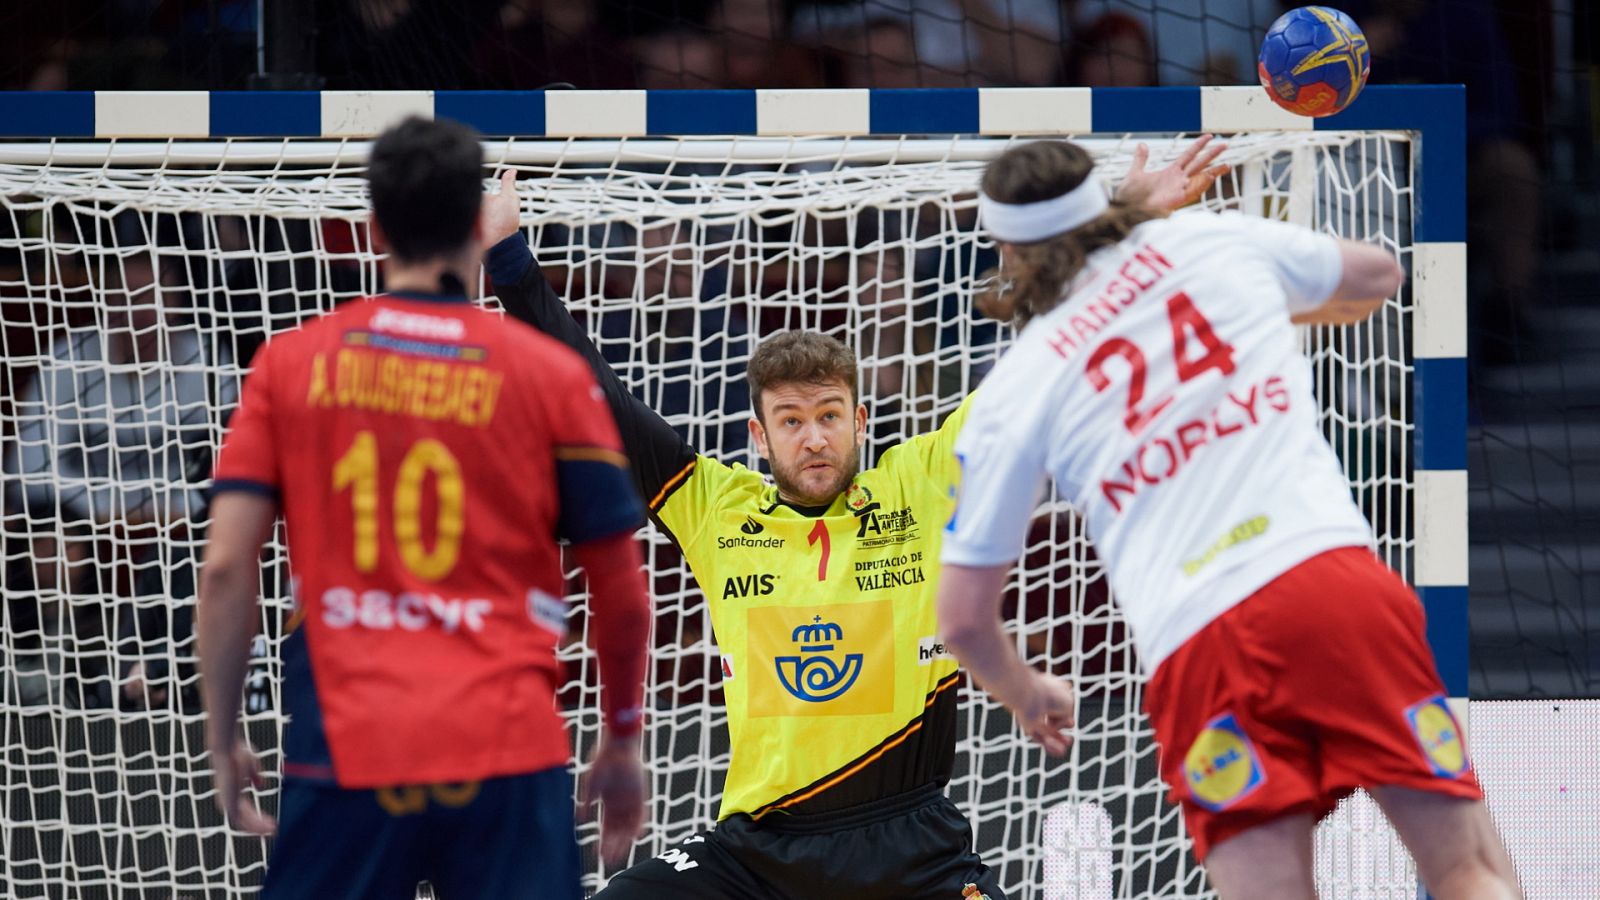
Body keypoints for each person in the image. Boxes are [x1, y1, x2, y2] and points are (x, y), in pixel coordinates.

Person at [477, 135, 1226, 899]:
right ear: (758, 437)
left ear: (861, 420)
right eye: (793, 421)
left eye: (830, 415)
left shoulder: (922, 480)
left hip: (914, 849)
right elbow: (593, 390)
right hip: (758, 856)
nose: (815, 437)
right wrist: (509, 259)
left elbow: (1044, 357)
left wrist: (1128, 223)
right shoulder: (711, 505)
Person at [935, 139, 1522, 900]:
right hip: (1328, 584)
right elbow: (1379, 274)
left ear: (1007, 247)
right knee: (1468, 871)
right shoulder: (1210, 243)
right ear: (1103, 205)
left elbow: (963, 621)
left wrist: (1025, 692)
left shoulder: (1018, 382)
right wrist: (1255, 304)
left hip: (1196, 640)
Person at [197, 116, 652, 900]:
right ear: (479, 227)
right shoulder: (549, 376)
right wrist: (619, 739)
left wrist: (223, 734)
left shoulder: (291, 362)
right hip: (507, 751)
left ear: (372, 228)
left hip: (348, 747)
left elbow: (228, 566)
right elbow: (621, 590)